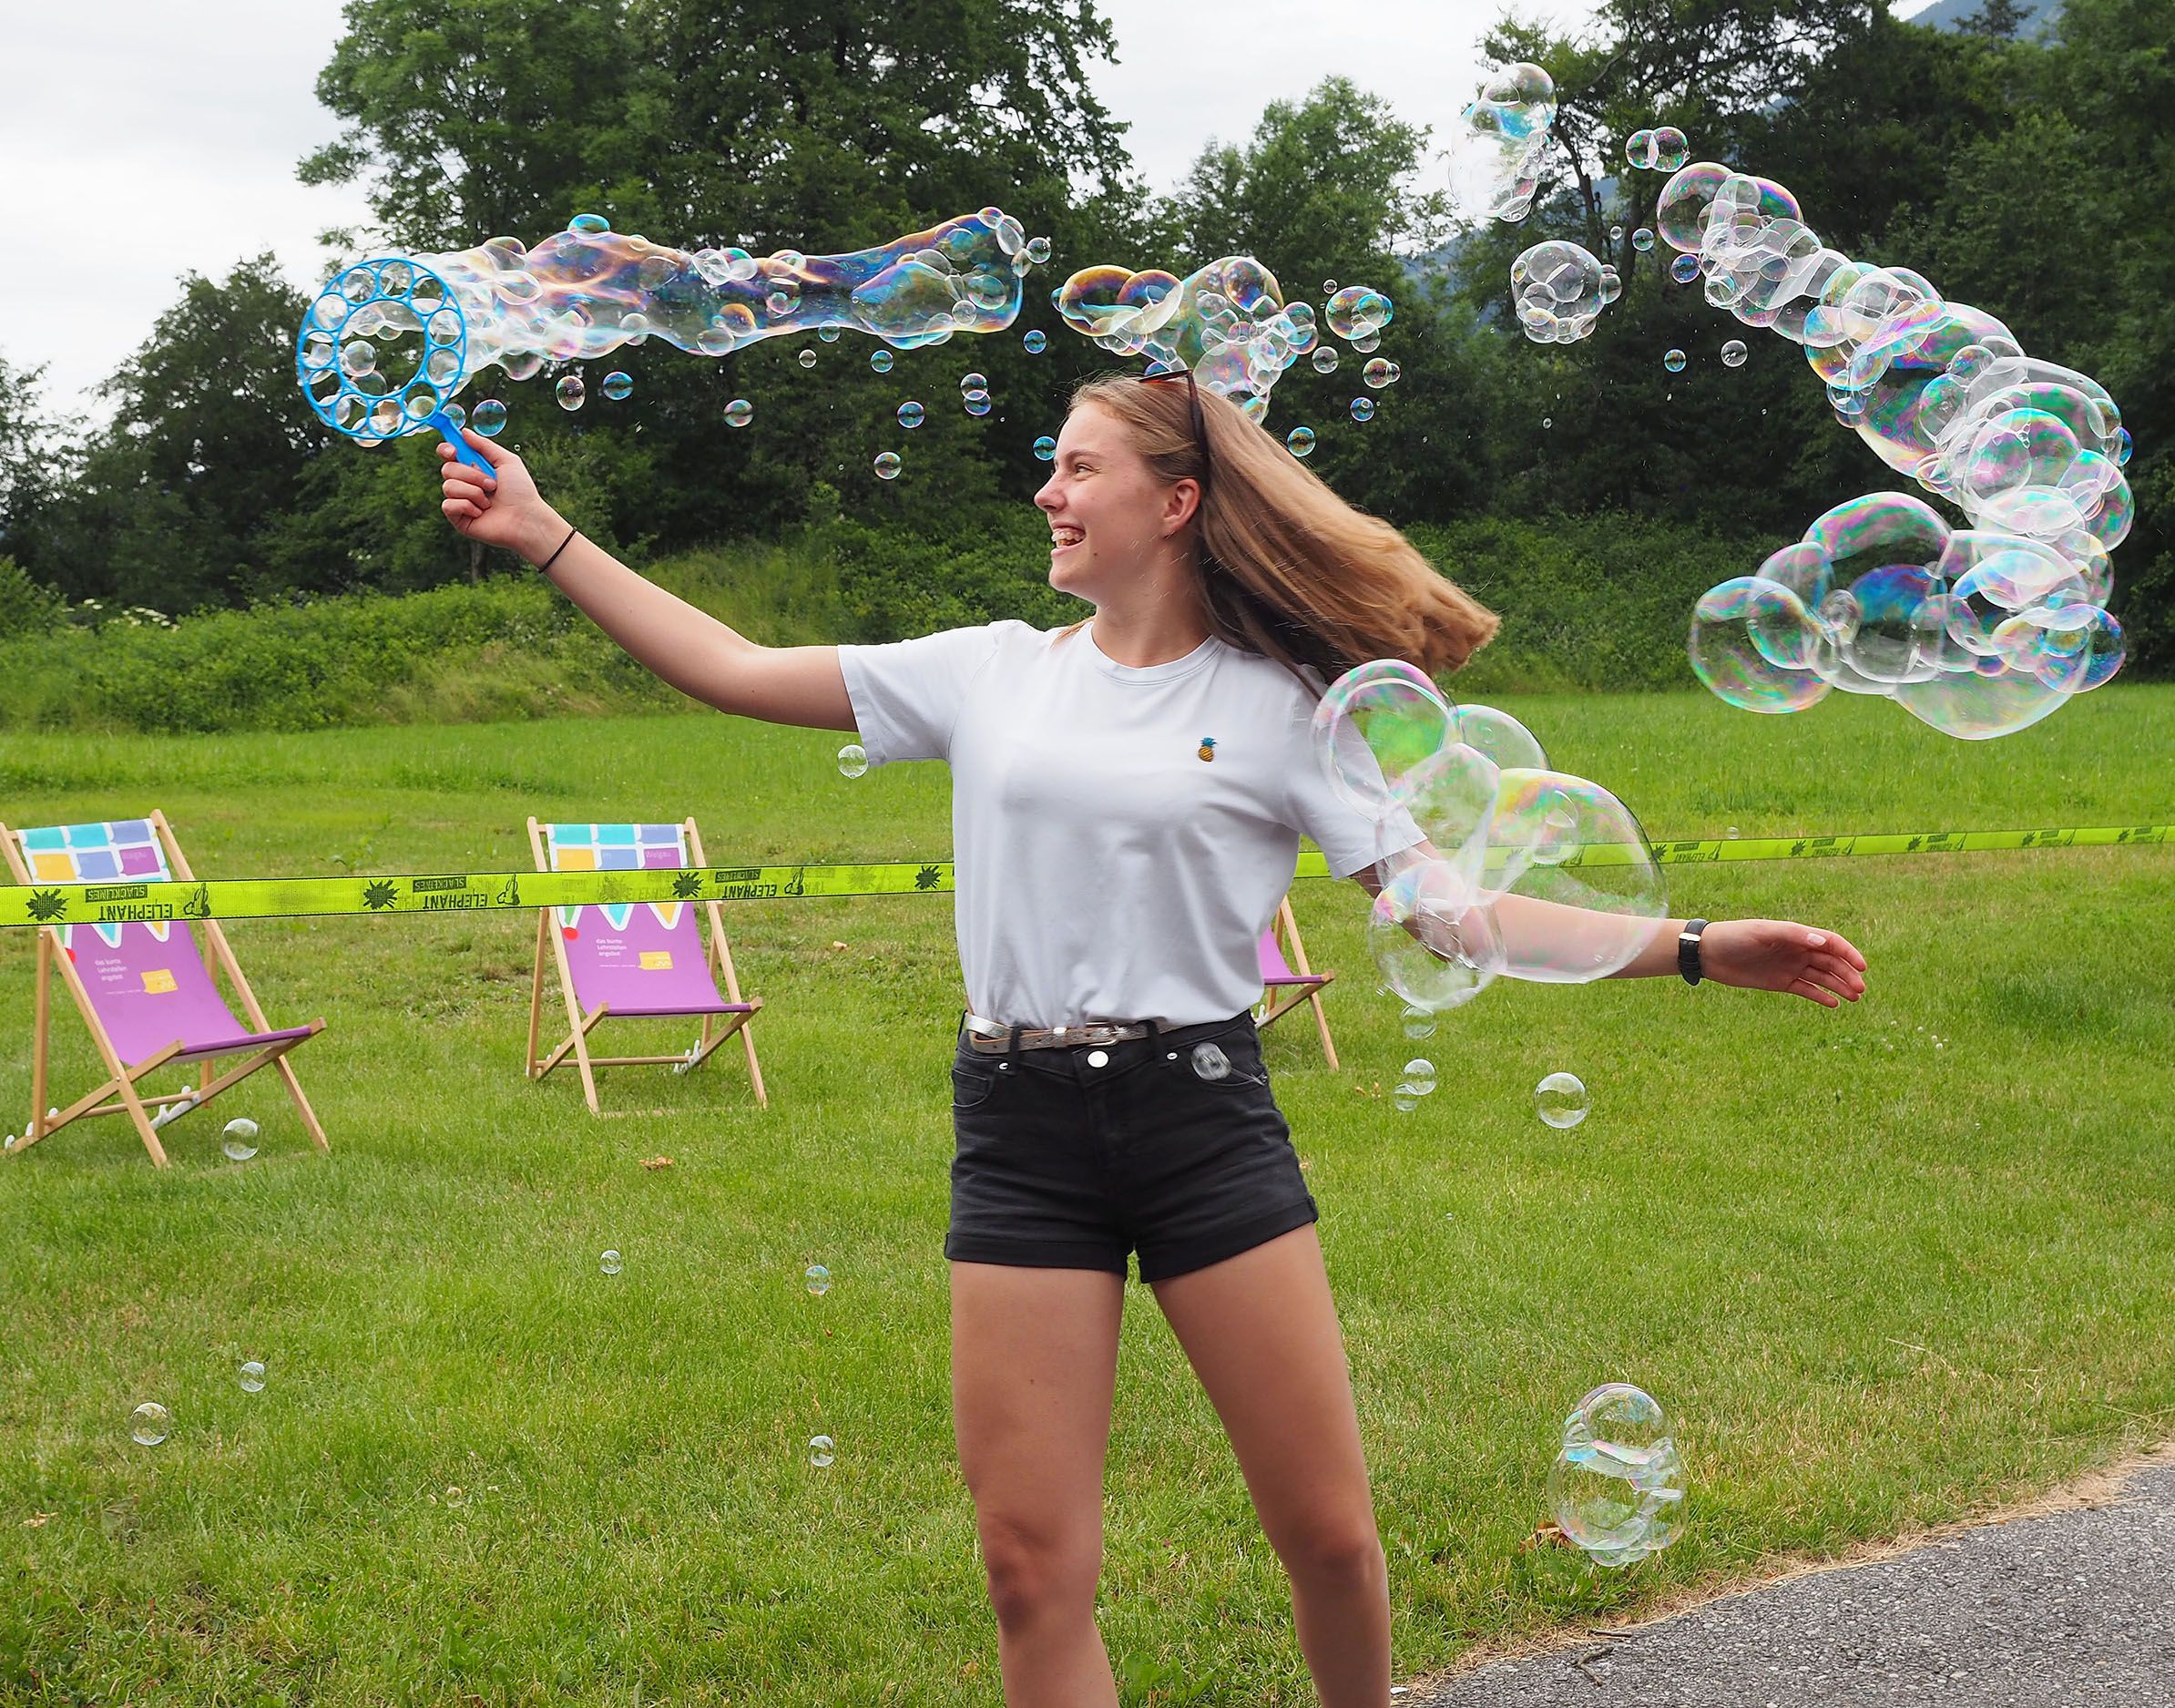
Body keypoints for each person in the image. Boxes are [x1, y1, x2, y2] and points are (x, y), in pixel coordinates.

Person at [435, 372, 1866, 1707]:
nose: (1047, 493)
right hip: (1019, 1125)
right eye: (1051, 467)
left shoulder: (1282, 708)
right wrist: (547, 535)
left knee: (1327, 1537)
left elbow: (1452, 914)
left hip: (1199, 1118)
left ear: (1176, 502)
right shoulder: (990, 672)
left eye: (1077, 468)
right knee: (1028, 1569)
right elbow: (732, 665)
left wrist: (1696, 947)